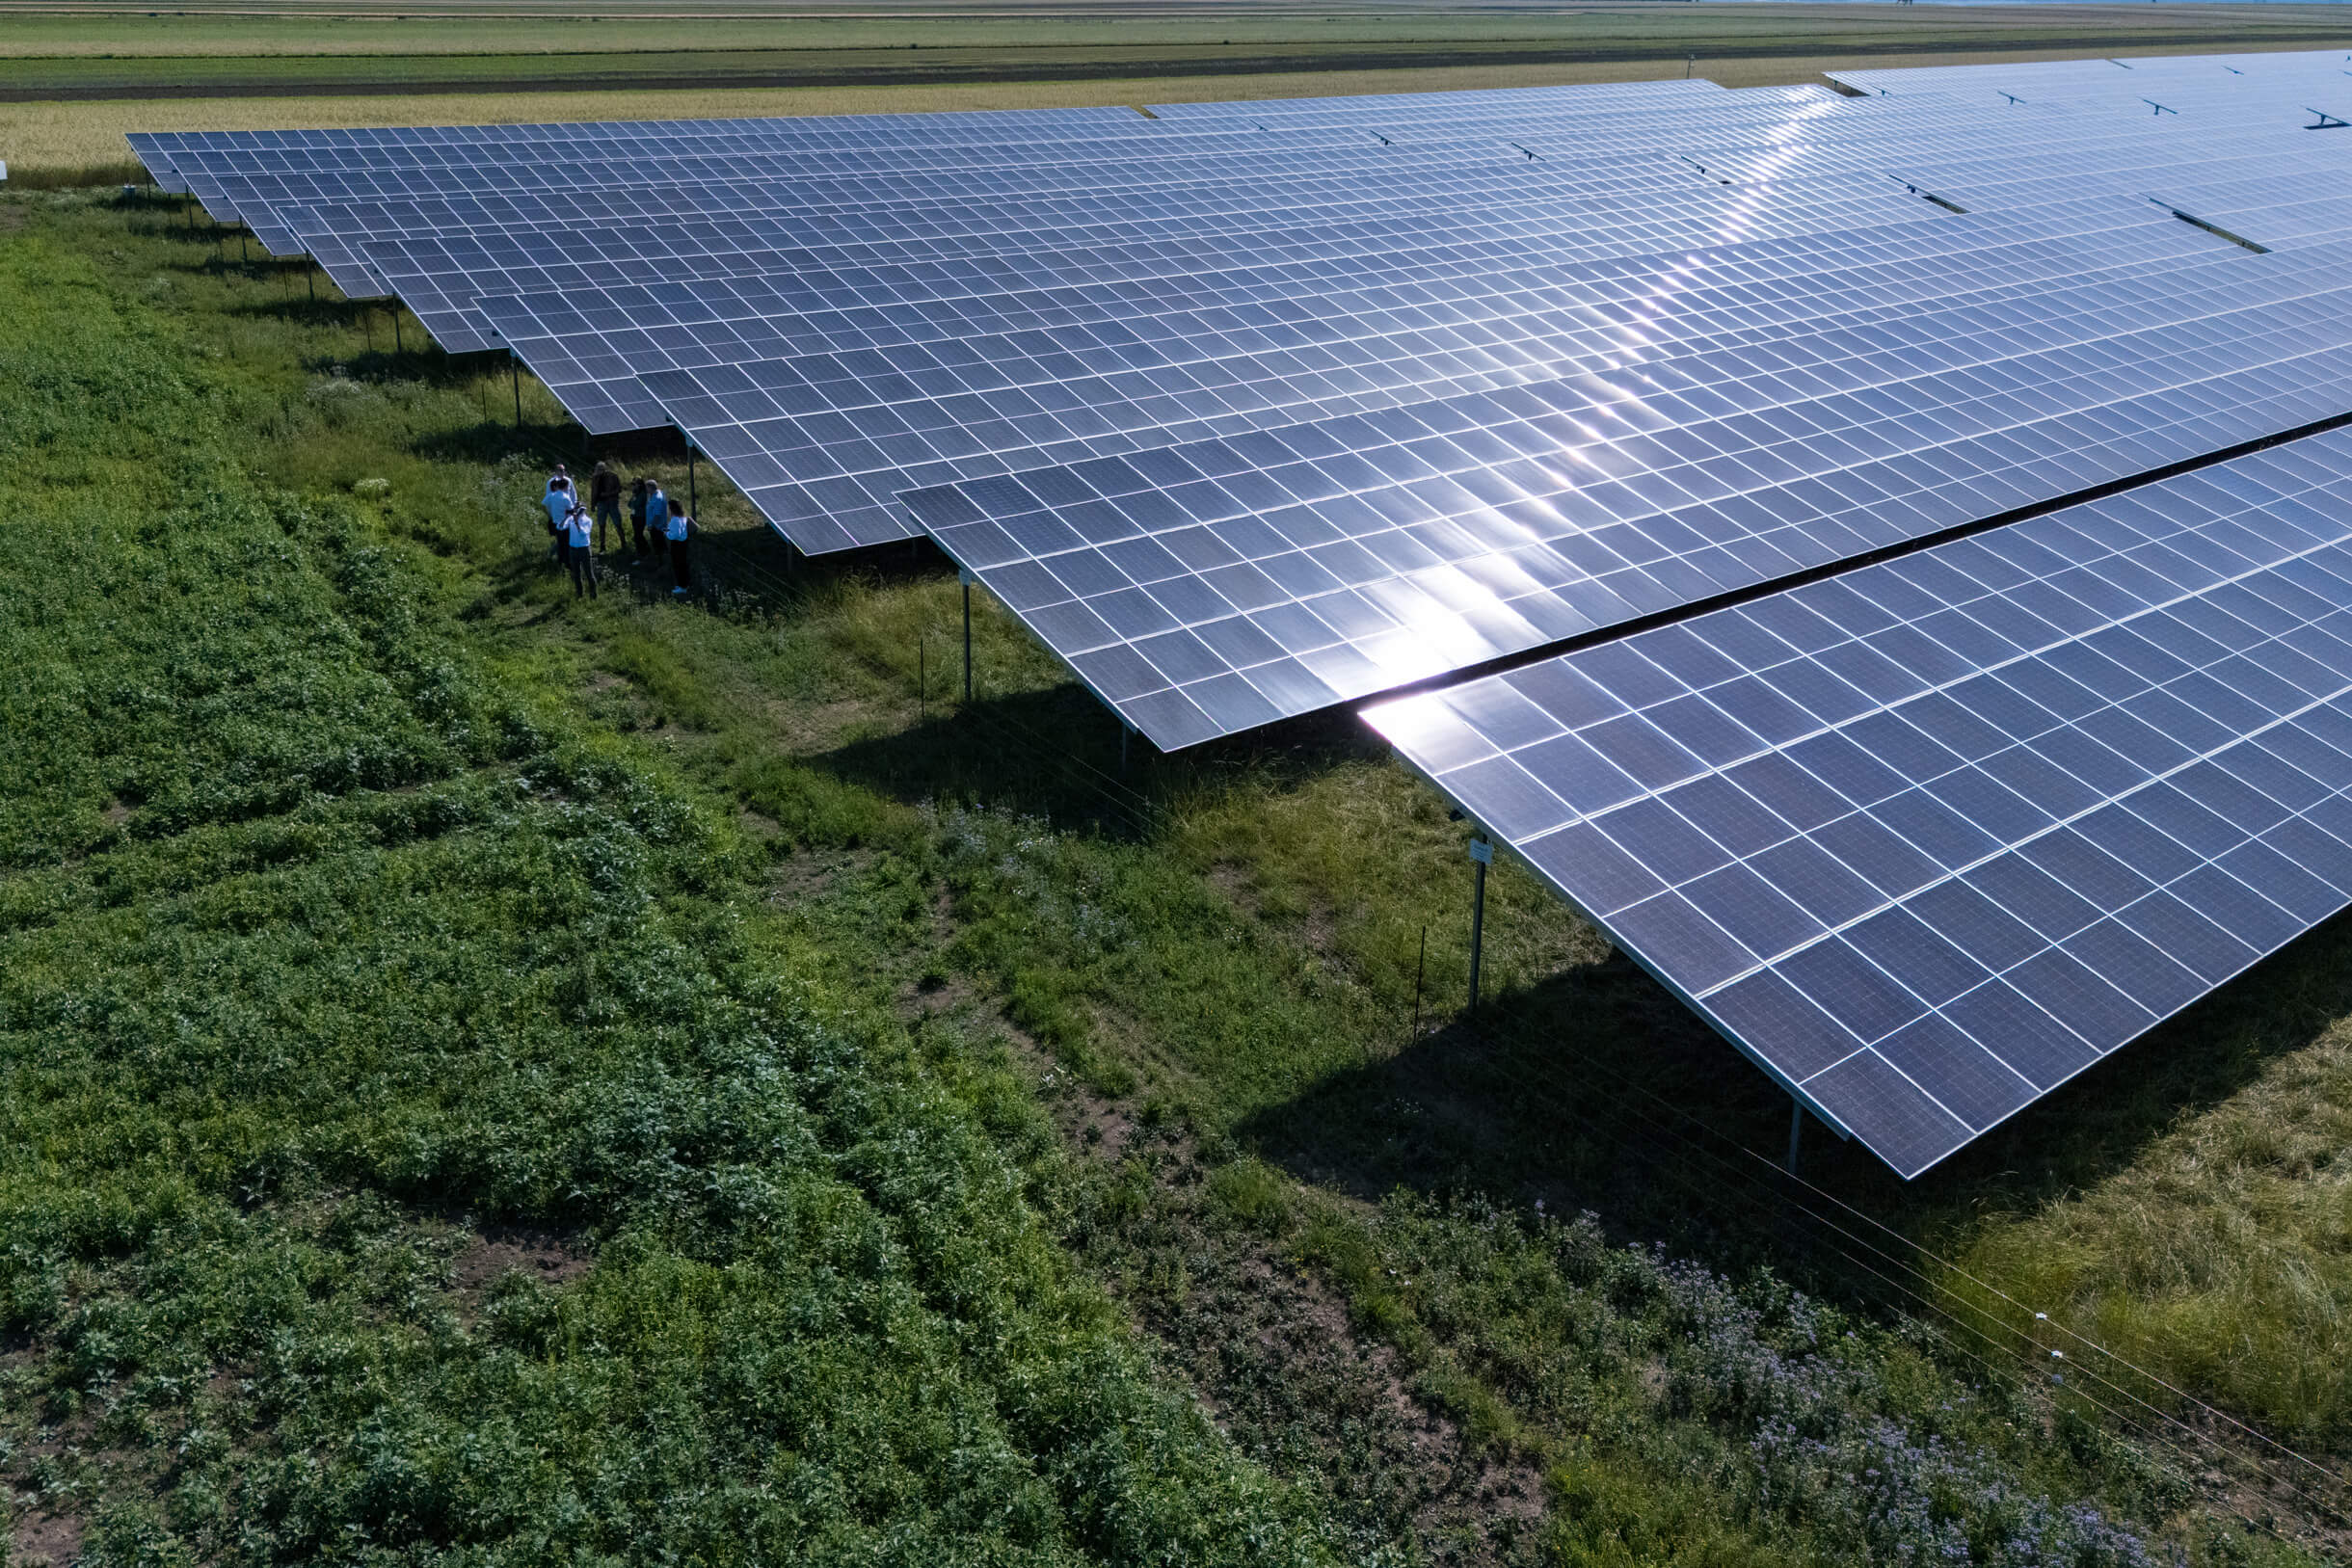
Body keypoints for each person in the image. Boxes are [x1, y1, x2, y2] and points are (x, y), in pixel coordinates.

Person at [561, 498, 598, 599]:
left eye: (578, 508)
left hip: (584, 549)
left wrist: (577, 523)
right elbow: (561, 527)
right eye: (575, 508)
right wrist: (566, 517)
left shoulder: (587, 521)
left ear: (583, 509)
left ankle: (593, 595)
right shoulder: (571, 519)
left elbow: (583, 534)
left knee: (588, 573)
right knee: (576, 574)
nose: (576, 510)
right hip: (573, 549)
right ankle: (579, 595)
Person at [590, 462, 624, 554]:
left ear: (604, 469)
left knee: (618, 524)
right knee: (601, 525)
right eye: (597, 469)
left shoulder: (613, 476)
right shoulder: (595, 478)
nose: (598, 471)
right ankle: (602, 547)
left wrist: (607, 494)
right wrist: (592, 505)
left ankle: (623, 544)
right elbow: (593, 492)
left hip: (612, 503)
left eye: (600, 469)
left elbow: (619, 489)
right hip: (601, 504)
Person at [541, 470, 574, 562]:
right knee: (566, 543)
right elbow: (571, 511)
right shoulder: (566, 497)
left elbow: (543, 504)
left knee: (559, 542)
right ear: (566, 486)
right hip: (565, 524)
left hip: (555, 522)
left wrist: (549, 513)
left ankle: (559, 560)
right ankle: (566, 561)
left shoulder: (552, 495)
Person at [666, 504, 693, 598]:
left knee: (678, 565)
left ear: (672, 509)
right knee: (682, 565)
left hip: (677, 544)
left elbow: (674, 535)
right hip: (684, 543)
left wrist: (666, 533)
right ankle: (683, 584)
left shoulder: (675, 520)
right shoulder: (683, 518)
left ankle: (682, 587)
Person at [644, 481, 670, 562]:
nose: (646, 489)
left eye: (646, 487)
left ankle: (661, 561)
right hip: (655, 525)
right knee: (659, 542)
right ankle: (662, 560)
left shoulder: (657, 498)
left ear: (651, 487)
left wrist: (652, 525)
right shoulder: (653, 495)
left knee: (658, 543)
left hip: (657, 526)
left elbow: (657, 514)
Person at [628, 476, 651, 560]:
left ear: (640, 485)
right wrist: (634, 498)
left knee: (638, 536)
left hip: (641, 517)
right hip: (634, 516)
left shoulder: (643, 494)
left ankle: (643, 553)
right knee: (638, 535)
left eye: (634, 484)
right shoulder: (635, 493)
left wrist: (634, 502)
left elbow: (636, 505)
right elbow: (629, 504)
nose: (633, 486)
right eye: (632, 484)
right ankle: (645, 551)